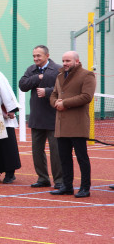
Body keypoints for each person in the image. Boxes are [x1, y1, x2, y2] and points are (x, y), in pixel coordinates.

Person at [50, 51, 96, 198]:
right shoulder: (59, 75)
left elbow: (86, 96)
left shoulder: (87, 75)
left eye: (68, 60)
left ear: (77, 61)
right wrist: (56, 103)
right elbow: (54, 94)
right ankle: (67, 186)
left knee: (82, 157)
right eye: (63, 60)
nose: (65, 63)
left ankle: (85, 188)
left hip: (77, 124)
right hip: (61, 124)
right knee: (64, 157)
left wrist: (65, 103)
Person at [19, 45, 63, 189]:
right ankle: (43, 178)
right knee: (37, 151)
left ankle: (59, 180)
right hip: (37, 117)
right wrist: (38, 77)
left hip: (53, 117)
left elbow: (64, 90)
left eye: (39, 56)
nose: (36, 58)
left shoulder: (57, 69)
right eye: (34, 56)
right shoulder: (31, 70)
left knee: (56, 151)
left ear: (47, 55)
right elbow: (23, 85)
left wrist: (48, 91)